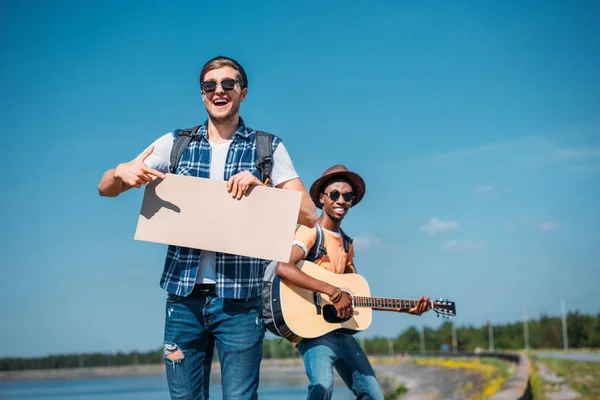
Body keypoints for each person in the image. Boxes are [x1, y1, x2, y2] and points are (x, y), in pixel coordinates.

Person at [97, 55, 317, 400]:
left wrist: (266, 187)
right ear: (202, 94)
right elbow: (105, 188)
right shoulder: (176, 143)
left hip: (241, 304)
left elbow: (309, 216)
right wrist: (119, 171)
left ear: (243, 92)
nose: (219, 90)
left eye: (228, 84)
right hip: (183, 301)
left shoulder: (267, 148)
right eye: (210, 85)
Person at [275, 165, 431, 400]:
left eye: (348, 196)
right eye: (335, 194)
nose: (342, 200)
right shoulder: (311, 232)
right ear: (321, 198)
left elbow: (357, 296)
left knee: (373, 394)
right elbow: (283, 267)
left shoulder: (347, 245)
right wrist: (333, 292)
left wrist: (404, 308)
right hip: (313, 331)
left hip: (342, 332)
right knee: (323, 386)